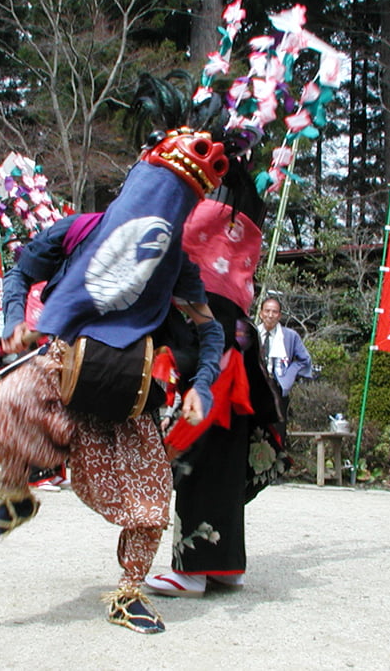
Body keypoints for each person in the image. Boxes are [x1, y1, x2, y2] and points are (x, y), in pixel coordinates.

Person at [0, 126, 228, 635]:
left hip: (125, 385)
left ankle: (127, 594)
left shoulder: (175, 261)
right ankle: (17, 495)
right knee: (5, 405)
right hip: (63, 363)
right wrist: (14, 322)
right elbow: (19, 274)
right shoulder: (77, 230)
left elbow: (208, 327)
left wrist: (202, 385)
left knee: (152, 502)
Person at [143, 114, 288, 598]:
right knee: (222, 444)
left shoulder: (208, 186)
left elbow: (176, 245)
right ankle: (225, 563)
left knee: (198, 446)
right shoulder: (247, 192)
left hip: (207, 327)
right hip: (234, 330)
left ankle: (193, 567)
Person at [257, 296, 312, 421]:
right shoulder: (253, 333)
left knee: (277, 430)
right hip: (254, 387)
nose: (270, 315)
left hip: (276, 388)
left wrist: (288, 376)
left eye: (274, 312)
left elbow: (304, 360)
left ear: (279, 316)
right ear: (261, 314)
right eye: (267, 311)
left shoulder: (290, 336)